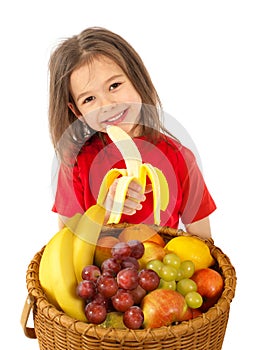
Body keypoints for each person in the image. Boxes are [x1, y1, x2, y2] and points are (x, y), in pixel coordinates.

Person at [49, 27, 216, 239]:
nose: (107, 105)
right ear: (77, 111)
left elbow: (204, 245)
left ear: (136, 78)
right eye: (89, 99)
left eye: (115, 85)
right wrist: (106, 212)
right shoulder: (75, 163)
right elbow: (64, 244)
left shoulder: (179, 157)